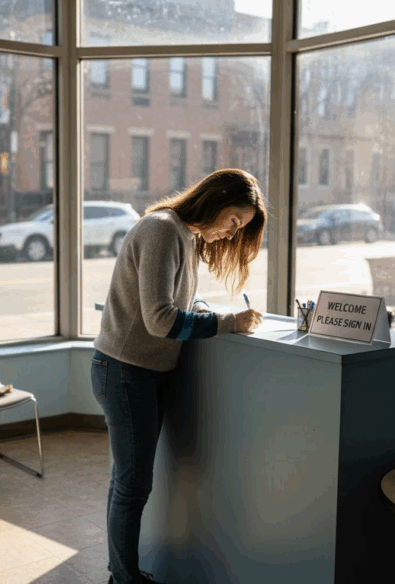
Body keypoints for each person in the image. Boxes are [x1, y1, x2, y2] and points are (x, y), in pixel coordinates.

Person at [91, 168, 267, 584]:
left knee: (127, 482)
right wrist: (227, 322)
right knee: (133, 485)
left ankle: (121, 573)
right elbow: (159, 320)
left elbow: (175, 298)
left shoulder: (186, 236)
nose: (230, 233)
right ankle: (125, 578)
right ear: (216, 199)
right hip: (125, 370)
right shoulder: (162, 230)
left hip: (143, 372)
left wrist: (203, 308)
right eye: (234, 221)